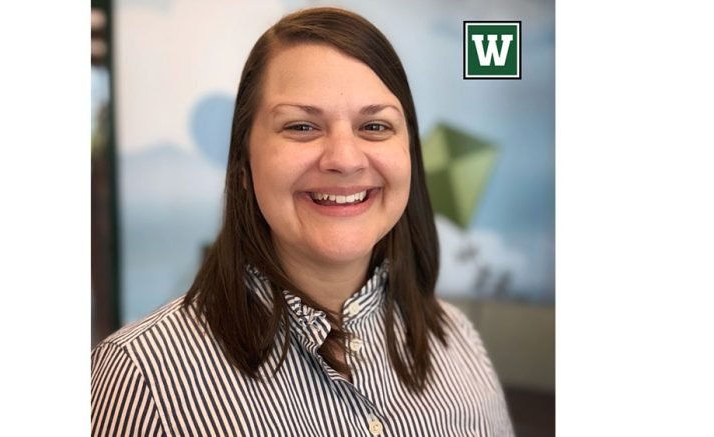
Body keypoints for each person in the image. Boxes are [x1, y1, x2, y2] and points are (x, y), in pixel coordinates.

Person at [91, 7, 514, 436]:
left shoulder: (458, 339)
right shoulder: (139, 378)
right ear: (243, 164)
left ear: (409, 154)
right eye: (301, 126)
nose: (345, 159)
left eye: (374, 126)